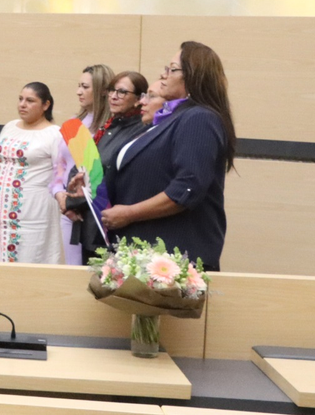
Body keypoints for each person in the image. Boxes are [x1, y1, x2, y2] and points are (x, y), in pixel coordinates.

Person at [103, 42, 235, 270]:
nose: (163, 75)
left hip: (172, 257)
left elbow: (187, 189)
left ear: (192, 76)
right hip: (142, 251)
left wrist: (129, 214)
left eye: (172, 69)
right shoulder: (166, 121)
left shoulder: (199, 118)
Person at [65, 70, 149, 260]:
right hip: (90, 225)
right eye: (112, 90)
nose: (113, 96)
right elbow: (82, 165)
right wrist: (66, 197)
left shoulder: (141, 131)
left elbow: (106, 177)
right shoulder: (109, 125)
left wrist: (71, 201)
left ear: (139, 99)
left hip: (113, 229)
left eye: (122, 92)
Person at [0, 83, 69, 264]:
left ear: (46, 105)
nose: (22, 104)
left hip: (34, 213)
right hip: (2, 212)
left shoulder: (54, 134)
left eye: (30, 101)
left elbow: (62, 175)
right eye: (20, 99)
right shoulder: (10, 127)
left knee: (30, 259)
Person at [61, 64, 114, 264]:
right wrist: (60, 197)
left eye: (85, 87)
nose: (78, 92)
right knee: (71, 266)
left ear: (102, 91)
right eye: (78, 86)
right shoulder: (73, 123)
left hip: (97, 212)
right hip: (67, 209)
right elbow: (59, 167)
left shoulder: (110, 126)